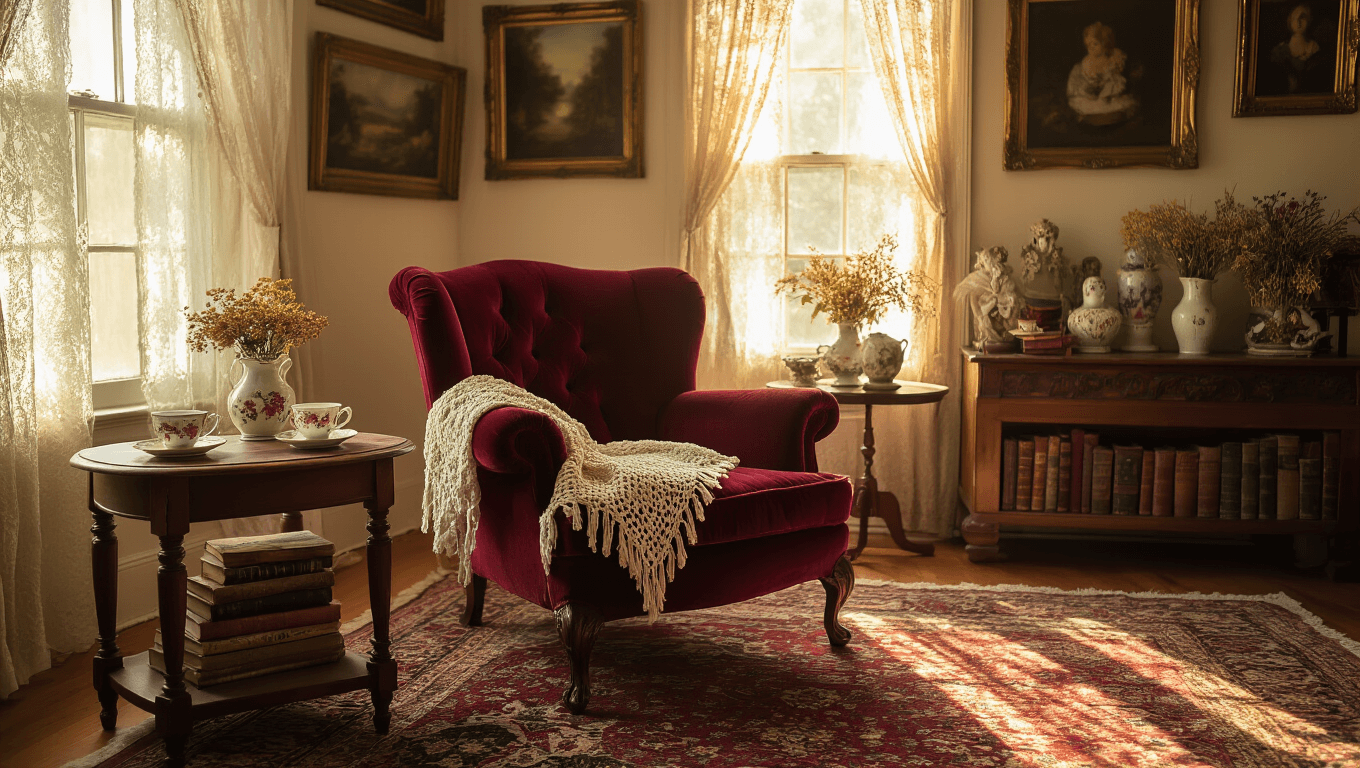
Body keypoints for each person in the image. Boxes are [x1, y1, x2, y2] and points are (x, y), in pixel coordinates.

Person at [1067, 22, 1140, 125]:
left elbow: (1118, 72)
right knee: (1084, 98)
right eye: (1088, 45)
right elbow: (1089, 80)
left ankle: (1106, 104)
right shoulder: (1088, 61)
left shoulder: (1114, 56)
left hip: (1110, 89)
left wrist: (1109, 77)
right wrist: (1093, 87)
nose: (1091, 47)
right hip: (1093, 89)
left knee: (1115, 85)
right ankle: (1095, 108)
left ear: (1105, 43)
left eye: (1095, 44)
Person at [1270, 4, 1330, 94]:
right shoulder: (1279, 50)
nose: (1298, 21)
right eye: (1294, 17)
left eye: (1302, 17)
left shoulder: (1316, 50)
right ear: (1290, 21)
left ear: (1310, 20)